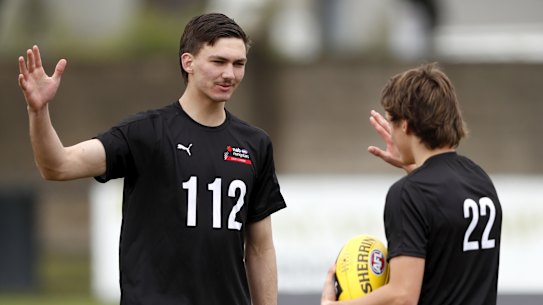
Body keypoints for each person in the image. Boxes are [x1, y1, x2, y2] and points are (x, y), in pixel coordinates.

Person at [18, 13, 286, 305]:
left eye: (239, 64)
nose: (230, 74)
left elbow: (260, 249)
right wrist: (38, 111)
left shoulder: (255, 144)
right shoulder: (145, 133)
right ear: (188, 62)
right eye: (218, 62)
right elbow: (58, 165)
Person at [321, 63, 502, 305]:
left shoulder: (408, 194)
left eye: (392, 123)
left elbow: (403, 296)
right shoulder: (479, 179)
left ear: (405, 124)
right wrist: (414, 166)